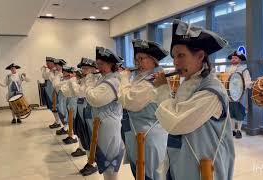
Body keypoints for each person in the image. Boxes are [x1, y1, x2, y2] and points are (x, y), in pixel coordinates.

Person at [153, 19, 235, 180]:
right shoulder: (189, 82)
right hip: (183, 162)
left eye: (181, 55)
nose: (176, 62)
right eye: (174, 56)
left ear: (200, 56)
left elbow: (175, 123)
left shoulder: (212, 91)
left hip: (204, 169)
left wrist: (163, 89)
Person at [118, 39, 169, 180]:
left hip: (148, 138)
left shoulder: (150, 81)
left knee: (149, 175)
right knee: (140, 174)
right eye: (136, 59)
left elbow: (127, 101)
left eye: (141, 59)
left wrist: (123, 79)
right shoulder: (142, 77)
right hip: (138, 135)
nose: (137, 63)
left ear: (153, 61)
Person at [77, 47, 124, 180]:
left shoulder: (113, 81)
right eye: (98, 64)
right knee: (103, 158)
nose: (99, 67)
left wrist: (88, 83)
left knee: (110, 159)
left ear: (111, 65)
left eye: (102, 64)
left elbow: (94, 99)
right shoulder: (104, 79)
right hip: (102, 123)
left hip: (109, 125)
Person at [64, 57, 100, 175]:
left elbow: (81, 92)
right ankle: (89, 161)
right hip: (80, 109)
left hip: (88, 111)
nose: (83, 71)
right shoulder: (85, 80)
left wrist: (74, 82)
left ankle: (93, 163)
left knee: (91, 136)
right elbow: (74, 93)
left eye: (86, 69)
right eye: (83, 68)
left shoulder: (96, 80)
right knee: (83, 134)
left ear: (94, 69)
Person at [226, 51, 252, 139]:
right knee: (231, 113)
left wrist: (240, 90)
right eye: (232, 58)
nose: (233, 59)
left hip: (239, 95)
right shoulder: (227, 69)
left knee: (239, 112)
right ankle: (233, 130)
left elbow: (248, 82)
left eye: (235, 58)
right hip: (229, 95)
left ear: (240, 60)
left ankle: (239, 130)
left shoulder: (244, 70)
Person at [41, 57, 62, 129]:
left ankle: (59, 122)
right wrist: (44, 70)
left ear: (53, 64)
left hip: (54, 92)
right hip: (49, 92)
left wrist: (50, 72)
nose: (47, 65)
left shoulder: (56, 71)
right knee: (52, 106)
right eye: (47, 63)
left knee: (56, 107)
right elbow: (44, 76)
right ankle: (57, 121)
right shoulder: (50, 71)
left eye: (49, 63)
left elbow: (52, 79)